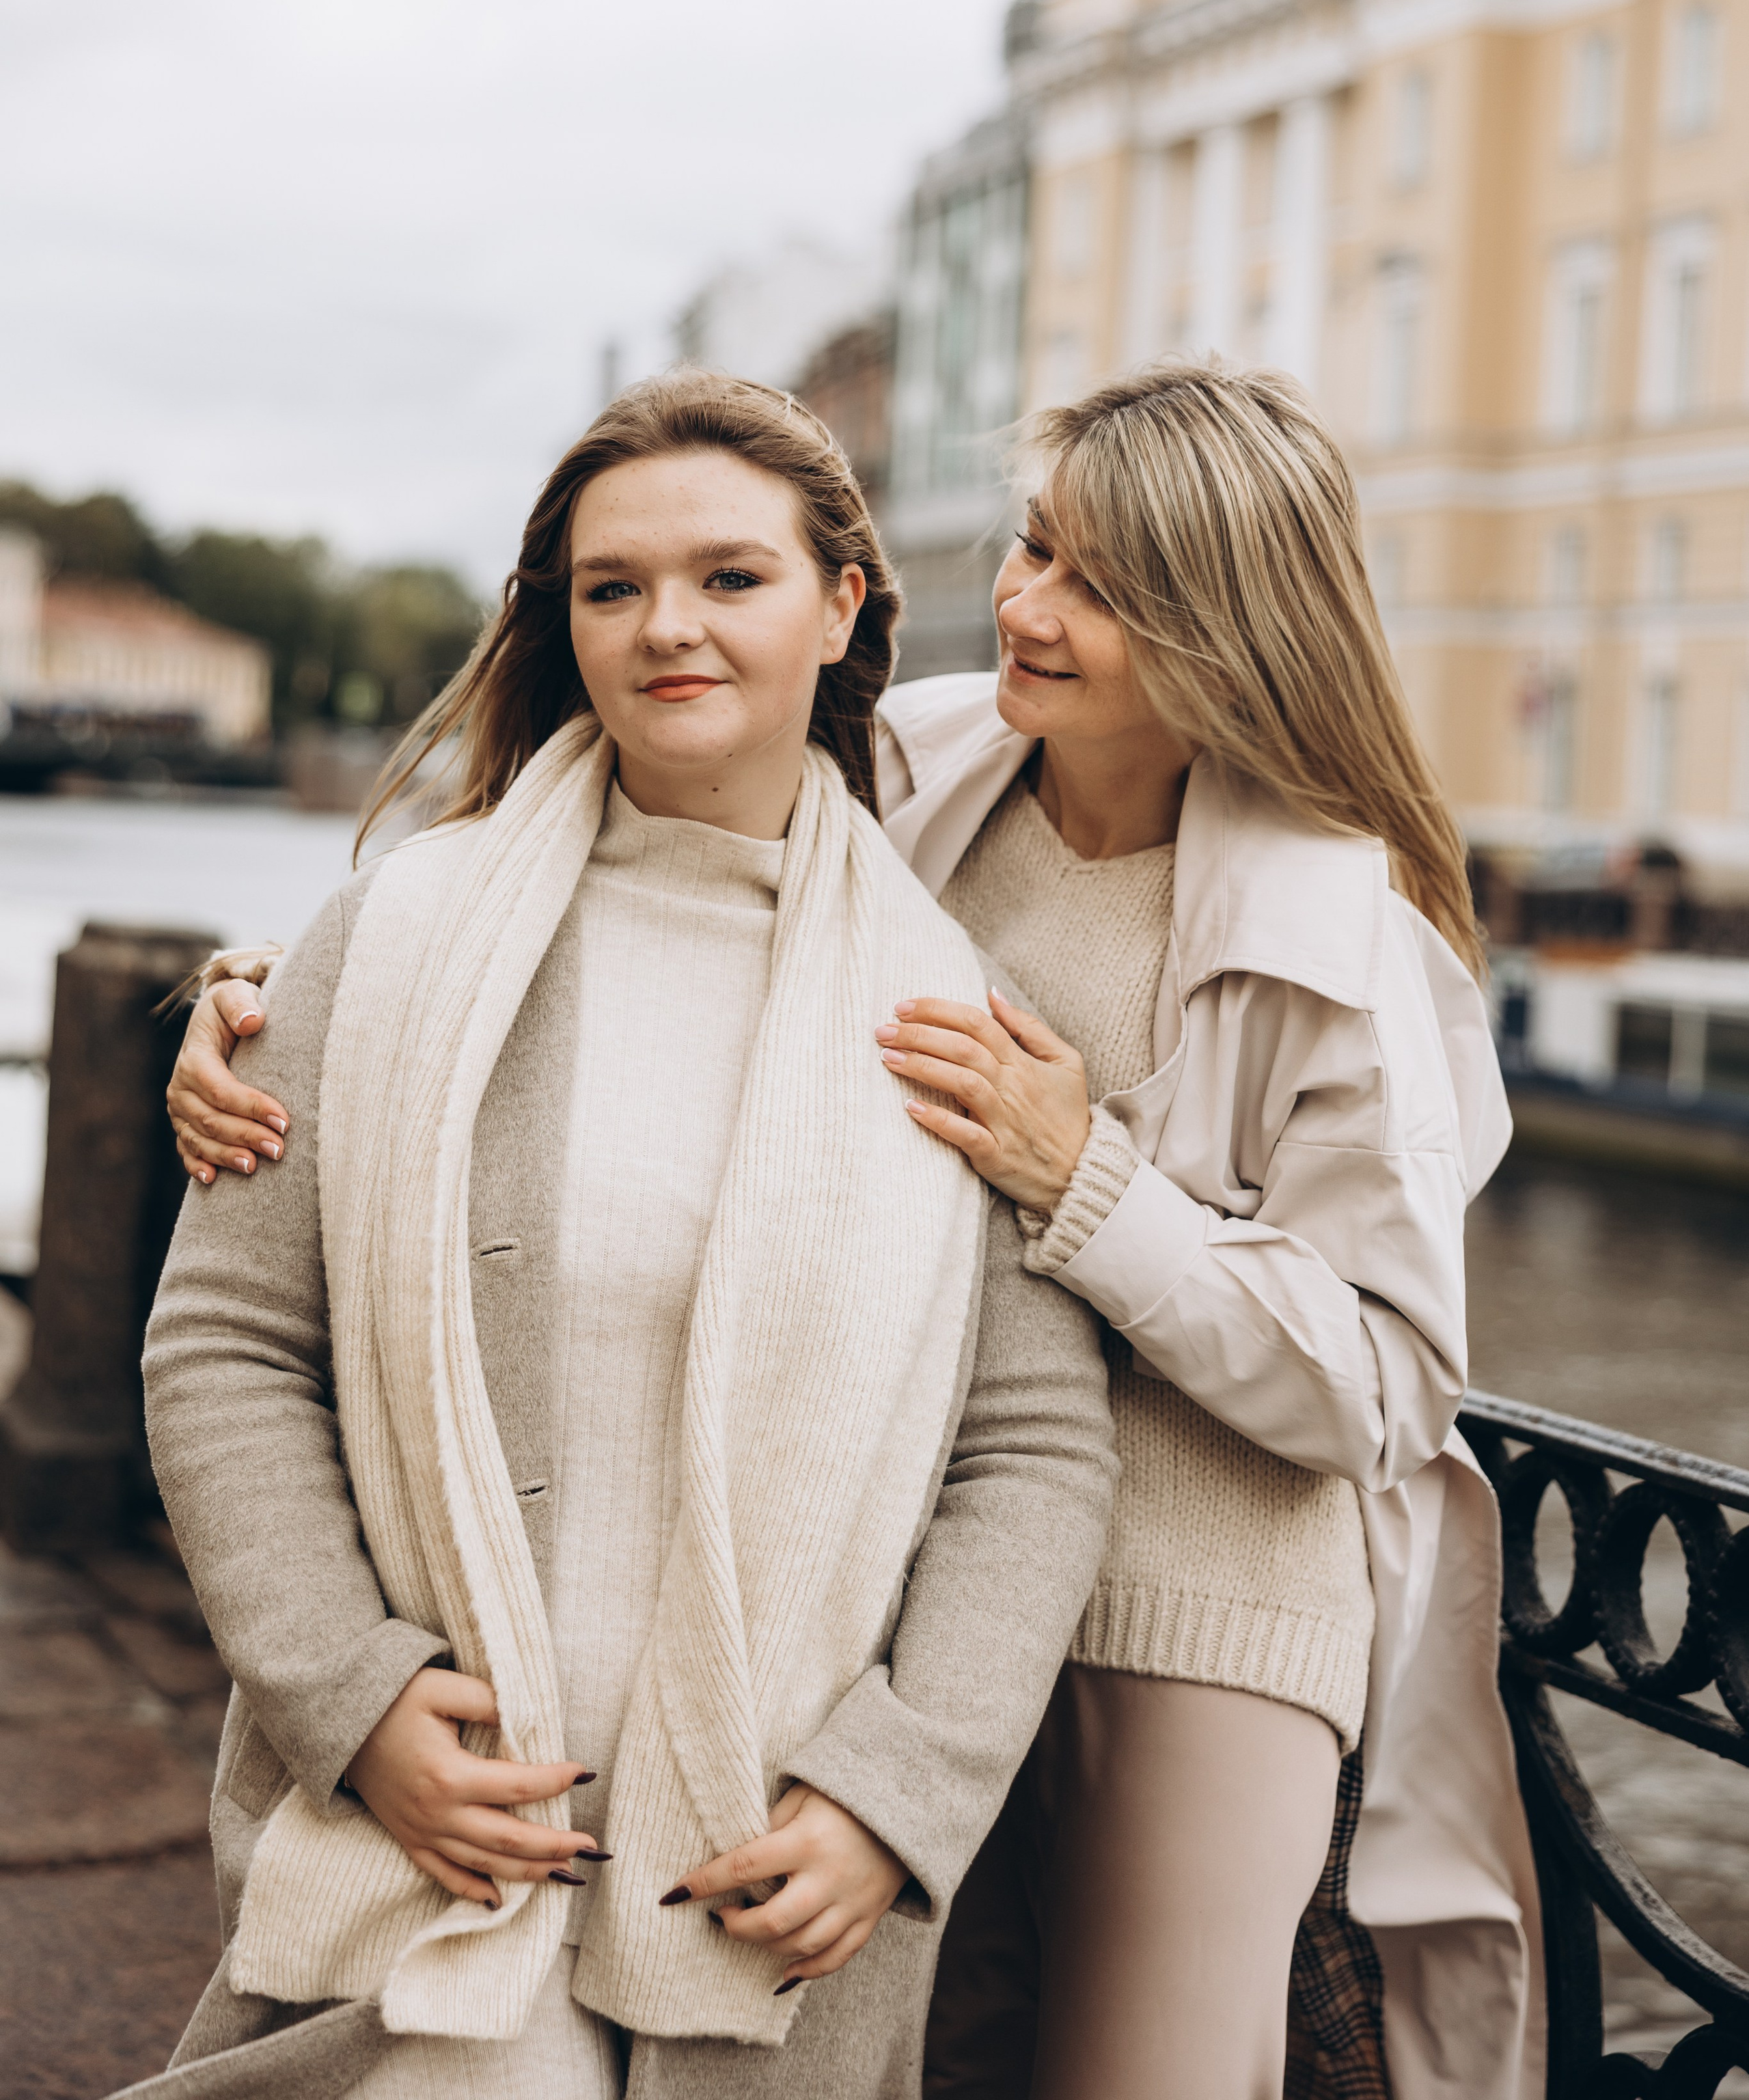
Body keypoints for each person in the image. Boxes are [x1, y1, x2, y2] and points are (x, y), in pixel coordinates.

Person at [167, 361, 1541, 2100]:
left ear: (1227, 627)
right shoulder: (935, 765)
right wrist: (277, 999)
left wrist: (1084, 1183)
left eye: (1102, 586)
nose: (1026, 606)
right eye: (1034, 548)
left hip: (1189, 1596)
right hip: (877, 1580)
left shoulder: (1344, 938)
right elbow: (635, 867)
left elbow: (1388, 1387)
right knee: (918, 2053)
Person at [130, 373, 1114, 2100]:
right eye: (612, 587)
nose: (668, 627)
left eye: (731, 577)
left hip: (756, 1881)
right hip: (427, 1856)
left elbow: (1029, 1451)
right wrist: (349, 1699)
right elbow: (226, 1346)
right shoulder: (391, 940)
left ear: (842, 605)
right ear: (562, 620)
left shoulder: (955, 1016)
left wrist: (898, 1792)